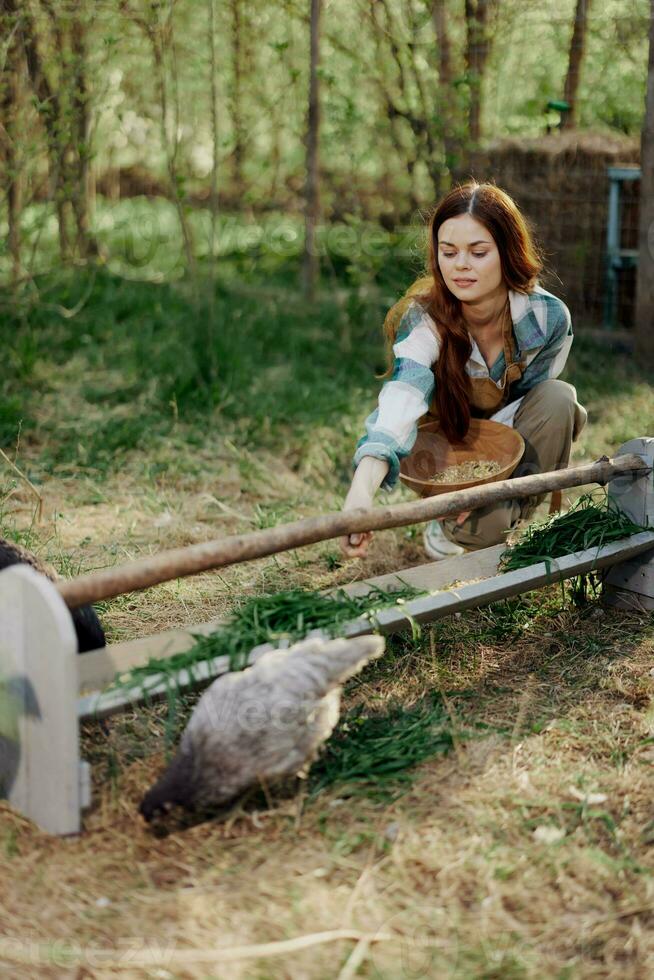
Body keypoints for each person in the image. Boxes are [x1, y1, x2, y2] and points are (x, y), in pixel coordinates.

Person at [340, 181, 587, 561]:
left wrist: (486, 479)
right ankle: (456, 520)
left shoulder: (546, 317)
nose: (460, 266)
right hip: (444, 441)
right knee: (485, 531)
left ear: (507, 252)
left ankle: (510, 515)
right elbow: (401, 399)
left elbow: (532, 410)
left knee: (560, 399)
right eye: (448, 252)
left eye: (478, 252)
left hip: (506, 438)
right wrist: (360, 494)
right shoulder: (424, 318)